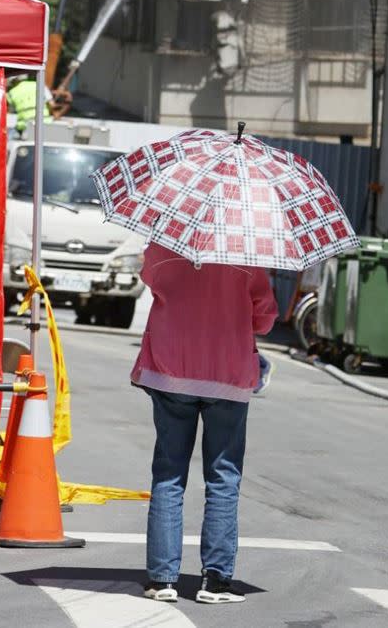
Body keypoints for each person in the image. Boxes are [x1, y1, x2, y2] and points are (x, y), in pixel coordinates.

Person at [133, 242, 278, 605]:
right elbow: (265, 317)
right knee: (223, 476)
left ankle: (161, 579)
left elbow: (152, 280)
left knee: (168, 473)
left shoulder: (162, 247)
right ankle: (215, 582)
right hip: (228, 376)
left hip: (171, 370)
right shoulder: (247, 255)